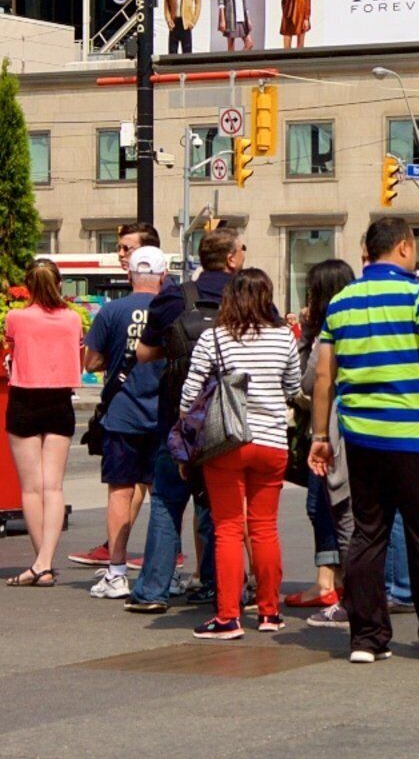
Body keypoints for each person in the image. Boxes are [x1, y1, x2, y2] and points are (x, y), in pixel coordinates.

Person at [308, 213, 419, 664]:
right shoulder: (418, 293)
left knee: (367, 533)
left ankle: (367, 638)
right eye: (414, 246)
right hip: (411, 433)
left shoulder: (340, 302)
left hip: (360, 437)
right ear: (402, 247)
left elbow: (324, 376)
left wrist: (321, 435)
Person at [178, 266, 303, 637]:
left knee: (228, 528)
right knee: (265, 528)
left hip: (227, 443)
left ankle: (228, 616)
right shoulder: (284, 338)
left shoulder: (214, 337)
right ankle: (269, 613)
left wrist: (186, 433)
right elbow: (293, 388)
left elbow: (189, 394)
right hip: (272, 444)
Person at [130, 228, 249, 613]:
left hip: (179, 420)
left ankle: (152, 591)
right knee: (221, 505)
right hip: (233, 419)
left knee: (166, 500)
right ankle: (221, 586)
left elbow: (144, 352)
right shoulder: (249, 296)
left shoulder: (175, 297)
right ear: (231, 259)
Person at [81, 238, 165, 592]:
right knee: (163, 495)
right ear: (163, 275)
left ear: (130, 274)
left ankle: (116, 570)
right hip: (164, 414)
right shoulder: (172, 311)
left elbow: (92, 361)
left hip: (122, 413)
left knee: (120, 492)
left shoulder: (111, 312)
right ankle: (163, 571)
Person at [0, 258, 84, 586]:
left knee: (32, 487)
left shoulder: (16, 317)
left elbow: (11, 347)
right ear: (59, 283)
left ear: (28, 286)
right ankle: (44, 560)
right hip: (60, 399)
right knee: (54, 486)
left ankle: (41, 561)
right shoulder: (72, 319)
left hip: (24, 399)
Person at [292, 256, 358, 622]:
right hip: (368, 431)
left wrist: (304, 337)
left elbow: (307, 382)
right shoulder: (363, 320)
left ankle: (347, 593)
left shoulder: (328, 331)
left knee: (334, 511)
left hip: (330, 433)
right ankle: (335, 584)